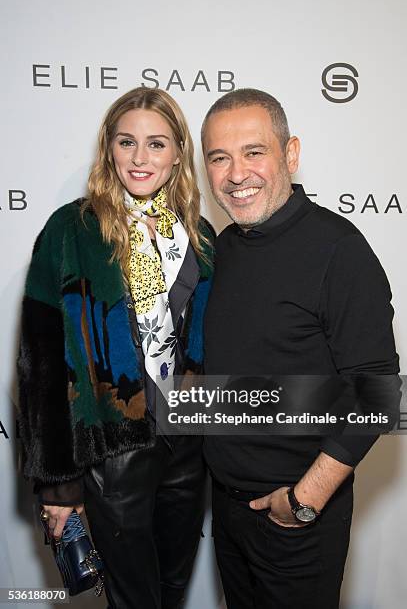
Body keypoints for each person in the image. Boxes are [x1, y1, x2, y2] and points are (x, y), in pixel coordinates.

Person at [201, 89, 399, 608]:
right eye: (219, 157)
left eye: (253, 152)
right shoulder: (221, 249)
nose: (236, 173)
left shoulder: (339, 250)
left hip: (295, 520)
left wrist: (303, 501)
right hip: (227, 511)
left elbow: (378, 392)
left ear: (290, 154)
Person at [17, 87, 214, 609]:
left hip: (188, 443)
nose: (140, 157)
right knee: (133, 598)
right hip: (113, 449)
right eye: (127, 142)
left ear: (177, 154)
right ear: (109, 149)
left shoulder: (201, 236)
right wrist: (59, 486)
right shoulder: (71, 230)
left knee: (171, 591)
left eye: (156, 143)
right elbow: (40, 362)